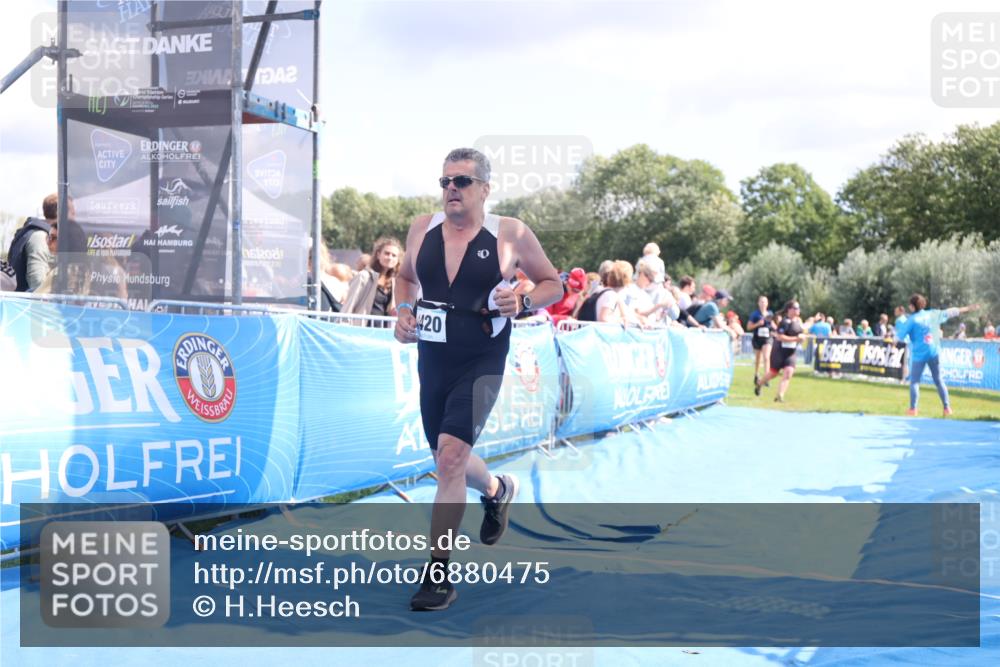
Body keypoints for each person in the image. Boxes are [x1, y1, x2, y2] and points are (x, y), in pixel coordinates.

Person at [393, 148, 562, 611]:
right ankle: (497, 490)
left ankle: (438, 574)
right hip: (434, 356)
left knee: (449, 460)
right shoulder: (420, 228)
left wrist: (524, 304)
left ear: (485, 189)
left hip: (483, 356)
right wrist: (404, 311)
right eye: (445, 181)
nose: (451, 189)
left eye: (462, 182)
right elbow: (405, 281)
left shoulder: (511, 234)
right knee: (447, 457)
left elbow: (553, 284)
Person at [893, 293, 979, 417]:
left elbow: (899, 336)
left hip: (919, 355)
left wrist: (893, 343)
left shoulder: (912, 320)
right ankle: (947, 408)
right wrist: (967, 308)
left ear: (912, 307)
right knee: (938, 380)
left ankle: (913, 409)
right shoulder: (933, 314)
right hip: (934, 352)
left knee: (915, 381)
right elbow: (951, 312)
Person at [7, 193, 62, 291]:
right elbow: (37, 283)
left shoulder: (32, 233)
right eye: (72, 213)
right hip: (30, 305)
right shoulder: (40, 238)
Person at [754, 300, 805, 402]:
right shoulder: (784, 322)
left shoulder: (798, 322)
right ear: (789, 310)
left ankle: (780, 395)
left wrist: (802, 338)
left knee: (788, 372)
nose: (797, 310)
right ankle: (759, 383)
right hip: (779, 351)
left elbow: (800, 334)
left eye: (798, 308)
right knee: (773, 373)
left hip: (791, 353)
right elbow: (780, 337)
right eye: (795, 308)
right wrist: (796, 339)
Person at [343, 237, 402, 320]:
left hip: (383, 330)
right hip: (362, 329)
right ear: (378, 254)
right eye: (387, 253)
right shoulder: (363, 277)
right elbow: (349, 305)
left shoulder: (393, 282)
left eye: (394, 255)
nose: (390, 258)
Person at [746, 295, 774, 384]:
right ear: (758, 303)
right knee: (758, 358)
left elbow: (773, 325)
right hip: (757, 338)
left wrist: (775, 327)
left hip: (767, 338)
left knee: (766, 357)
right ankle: (756, 374)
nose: (763, 304)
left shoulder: (770, 314)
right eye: (761, 302)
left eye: (765, 302)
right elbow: (748, 327)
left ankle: (766, 377)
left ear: (767, 303)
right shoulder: (755, 314)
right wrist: (757, 324)